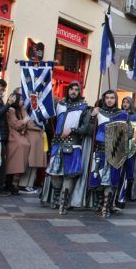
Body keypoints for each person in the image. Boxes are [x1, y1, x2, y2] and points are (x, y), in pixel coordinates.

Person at [45, 81, 92, 215]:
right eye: (71, 89)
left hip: (73, 145)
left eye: (76, 89)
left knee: (69, 176)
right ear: (68, 90)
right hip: (57, 144)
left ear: (79, 92)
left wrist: (73, 129)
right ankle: (56, 196)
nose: (73, 91)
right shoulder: (60, 104)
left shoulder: (84, 107)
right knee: (54, 174)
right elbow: (49, 118)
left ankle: (63, 202)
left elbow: (87, 129)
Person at [88, 90, 129, 218]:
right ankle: (100, 203)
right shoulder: (98, 112)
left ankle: (106, 207)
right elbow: (89, 131)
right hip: (100, 151)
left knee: (111, 181)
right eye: (107, 98)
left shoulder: (123, 114)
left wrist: (124, 132)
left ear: (116, 99)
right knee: (98, 180)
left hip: (115, 153)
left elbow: (130, 134)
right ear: (104, 99)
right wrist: (92, 117)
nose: (109, 100)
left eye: (112, 98)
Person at [4, 93, 32, 195]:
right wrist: (24, 121)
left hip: (16, 137)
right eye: (20, 99)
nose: (22, 102)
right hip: (13, 138)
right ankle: (8, 184)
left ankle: (9, 184)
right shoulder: (11, 110)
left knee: (14, 162)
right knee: (12, 163)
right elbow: (16, 124)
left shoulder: (18, 110)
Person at [118, 96, 136, 204]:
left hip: (132, 146)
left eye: (127, 102)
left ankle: (128, 193)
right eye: (124, 102)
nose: (125, 104)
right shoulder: (119, 114)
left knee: (129, 171)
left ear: (131, 103)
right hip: (120, 146)